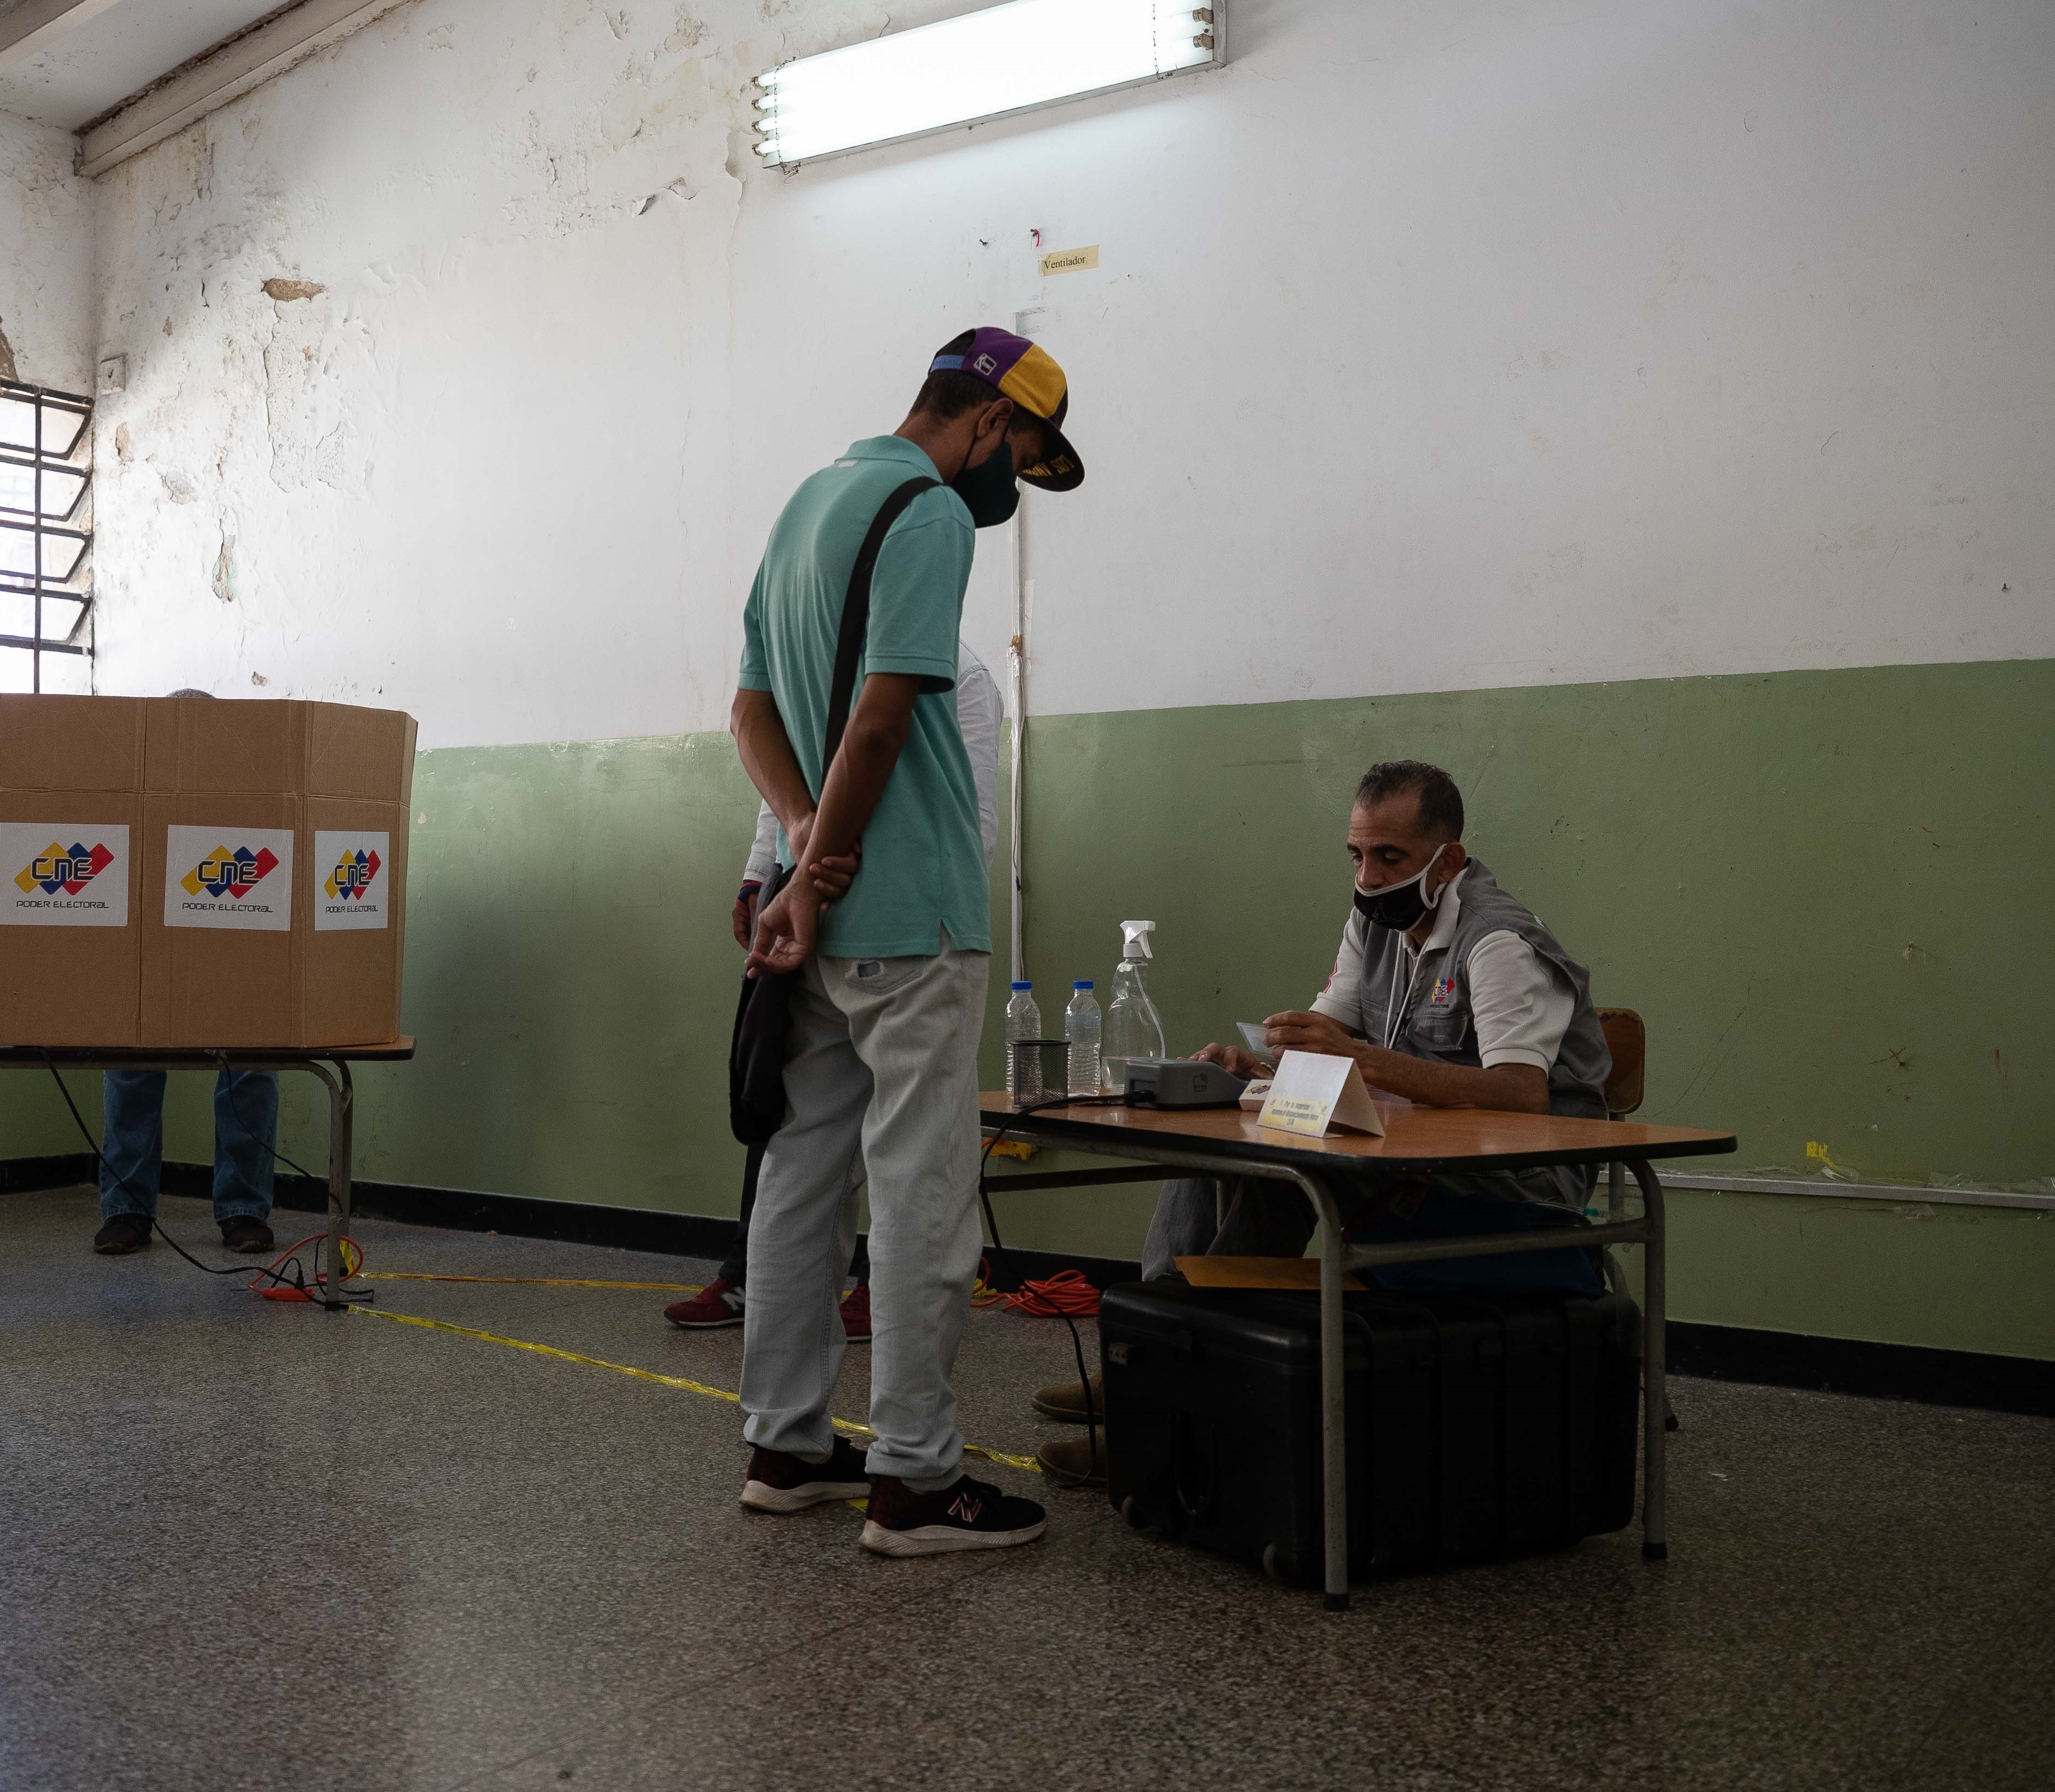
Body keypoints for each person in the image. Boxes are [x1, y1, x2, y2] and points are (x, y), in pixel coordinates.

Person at [727, 327, 1085, 1555]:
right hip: (912, 916)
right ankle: (918, 1482)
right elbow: (879, 722)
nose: (1012, 489)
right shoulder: (925, 512)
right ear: (985, 420)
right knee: (924, 1196)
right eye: (1023, 456)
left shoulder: (809, 500)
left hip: (815, 927)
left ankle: (783, 1444)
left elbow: (748, 707)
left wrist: (791, 852)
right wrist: (821, 874)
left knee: (800, 1179)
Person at [1032, 759, 1615, 1484]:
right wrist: (1257, 1068)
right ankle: (1145, 1360)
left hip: (1510, 1187)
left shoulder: (1498, 944)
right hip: (1400, 1160)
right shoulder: (1371, 928)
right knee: (1220, 1149)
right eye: (1357, 855)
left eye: (1390, 857)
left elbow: (1521, 1093)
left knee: (1276, 1179)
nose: (1368, 877)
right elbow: (1328, 1042)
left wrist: (1362, 1058)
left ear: (1449, 861)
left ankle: (1160, 1403)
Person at [664, 639, 1003, 1342]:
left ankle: (870, 1302)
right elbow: (784, 791)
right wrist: (761, 876)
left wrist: (831, 878)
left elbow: (973, 824)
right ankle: (751, 1283)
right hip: (809, 918)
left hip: (900, 927)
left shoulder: (962, 677)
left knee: (898, 1145)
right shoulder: (821, 664)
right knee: (788, 1125)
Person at [91, 689, 284, 1260]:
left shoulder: (251, 802)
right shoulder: (131, 799)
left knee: (251, 1068)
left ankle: (244, 1210)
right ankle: (125, 1211)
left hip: (235, 967)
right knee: (129, 1070)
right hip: (149, 969)